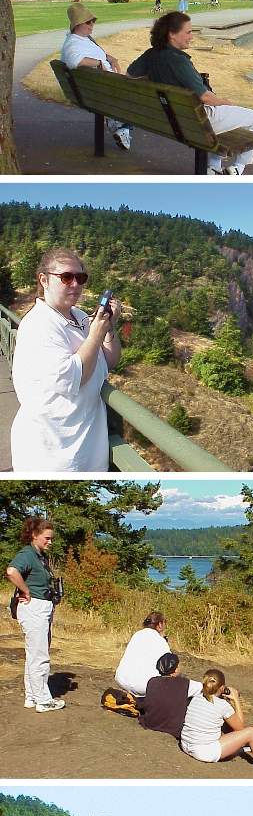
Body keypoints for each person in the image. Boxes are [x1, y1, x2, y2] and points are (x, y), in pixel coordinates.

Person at [10, 247, 120, 472]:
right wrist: (96, 334)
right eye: (66, 277)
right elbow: (73, 377)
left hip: (86, 451)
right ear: (44, 280)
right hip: (50, 456)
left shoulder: (79, 316)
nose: (75, 284)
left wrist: (108, 328)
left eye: (81, 278)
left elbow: (107, 361)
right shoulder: (38, 325)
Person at [127, 12, 253, 175]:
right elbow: (205, 97)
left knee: (224, 116)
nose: (191, 37)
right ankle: (237, 168)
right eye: (188, 32)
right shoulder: (179, 61)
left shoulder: (151, 54)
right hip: (196, 123)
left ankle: (214, 166)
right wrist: (225, 102)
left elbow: (130, 74)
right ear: (172, 34)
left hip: (169, 119)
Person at [180, 668, 253, 777]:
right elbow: (240, 728)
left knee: (218, 728)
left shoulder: (196, 697)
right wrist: (236, 700)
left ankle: (249, 749)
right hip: (203, 752)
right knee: (251, 733)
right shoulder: (222, 705)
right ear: (222, 688)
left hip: (186, 745)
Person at [6, 516, 65, 714]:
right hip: (34, 608)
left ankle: (31, 696)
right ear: (34, 535)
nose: (50, 542)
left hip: (41, 607)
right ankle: (43, 700)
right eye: (47, 538)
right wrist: (25, 590)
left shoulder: (40, 556)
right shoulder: (28, 554)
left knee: (33, 654)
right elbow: (12, 571)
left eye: (51, 538)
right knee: (40, 656)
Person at [60, 0, 132, 151]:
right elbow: (75, 61)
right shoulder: (73, 43)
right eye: (88, 22)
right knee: (138, 94)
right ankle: (123, 127)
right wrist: (99, 63)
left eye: (93, 22)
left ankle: (120, 124)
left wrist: (109, 58)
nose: (92, 25)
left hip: (97, 88)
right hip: (99, 90)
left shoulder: (82, 39)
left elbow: (92, 54)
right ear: (77, 25)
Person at [141, 651, 203, 739]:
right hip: (173, 729)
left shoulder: (152, 681)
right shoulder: (185, 684)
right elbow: (204, 688)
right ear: (176, 669)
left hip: (151, 723)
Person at [115, 612, 173, 699]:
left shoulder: (137, 635)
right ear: (160, 624)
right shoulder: (160, 640)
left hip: (122, 680)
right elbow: (170, 665)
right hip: (143, 686)